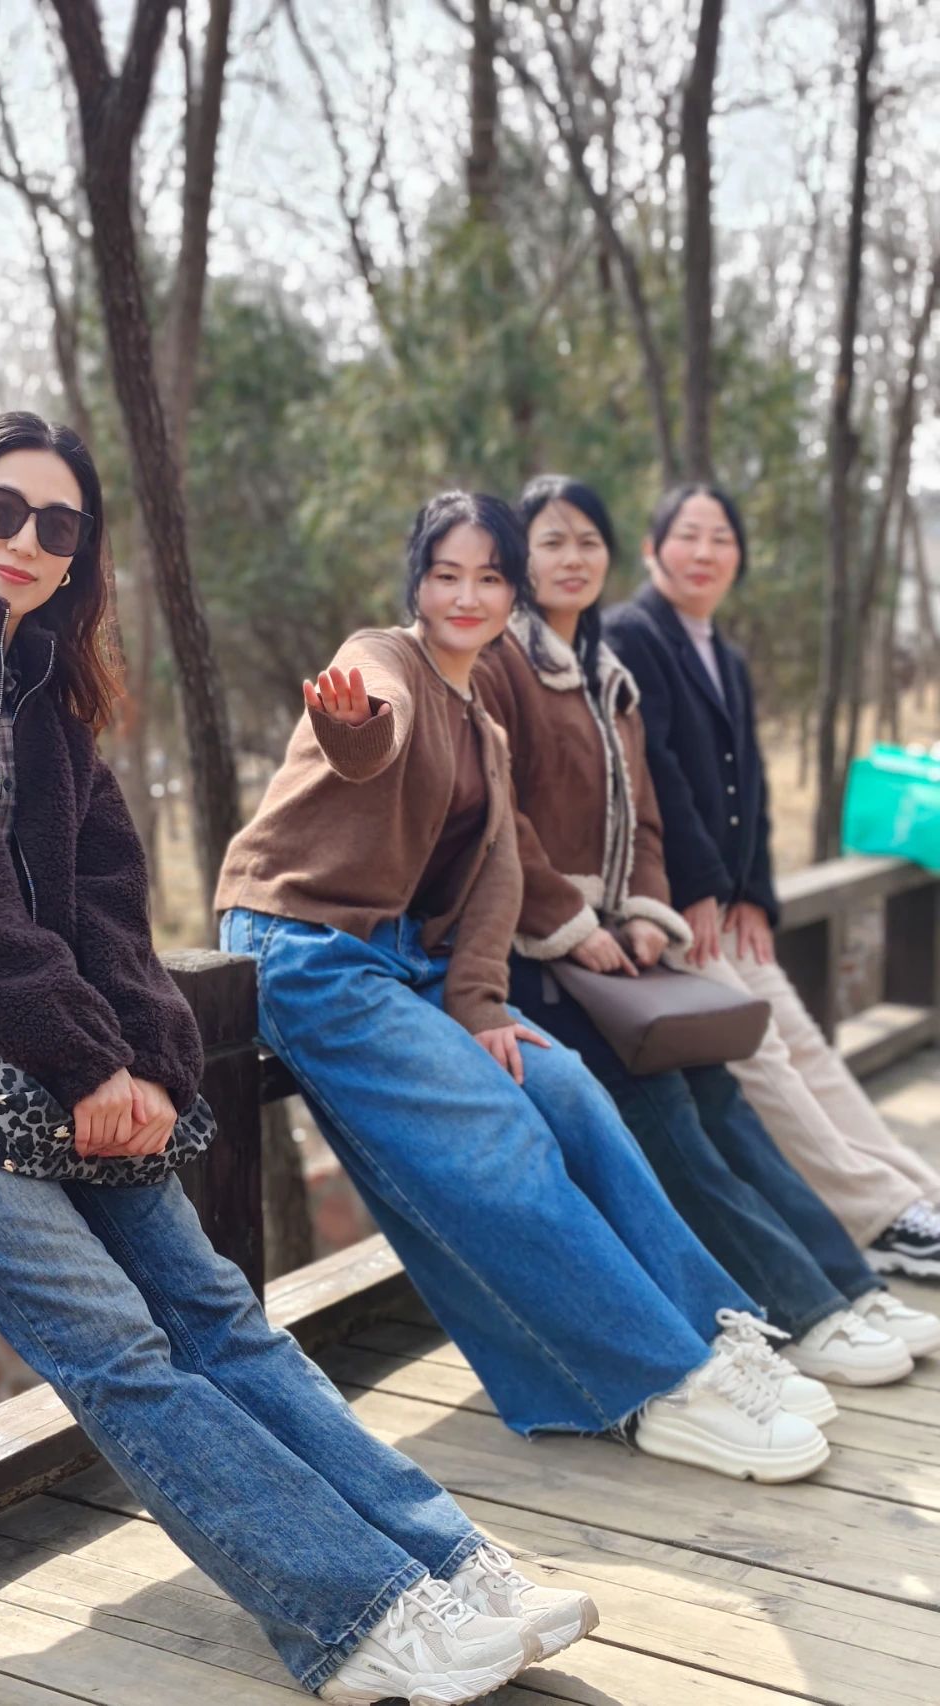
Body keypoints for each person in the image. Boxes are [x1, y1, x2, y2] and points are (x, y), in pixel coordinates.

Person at [0, 414, 598, 1706]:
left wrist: (144, 1057)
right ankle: (355, 1615)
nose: (26, 540)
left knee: (214, 1309)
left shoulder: (44, 694)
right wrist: (91, 1068)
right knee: (112, 1337)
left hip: (38, 1043)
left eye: (59, 524)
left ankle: (444, 1562)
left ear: (79, 552)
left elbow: (105, 906)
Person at [219, 488, 833, 1485]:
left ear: (513, 592)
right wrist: (353, 728)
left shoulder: (486, 728)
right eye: (445, 575)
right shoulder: (381, 657)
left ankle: (711, 1331)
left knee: (569, 1093)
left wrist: (477, 1004)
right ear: (417, 582)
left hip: (410, 961)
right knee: (498, 1133)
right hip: (306, 944)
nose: (466, 596)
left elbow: (496, 877)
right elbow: (372, 732)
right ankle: (657, 1383)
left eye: (489, 577)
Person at [475, 473, 937, 1393]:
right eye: (550, 541)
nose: (572, 559)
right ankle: (807, 1307)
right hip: (538, 956)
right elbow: (503, 818)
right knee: (679, 1111)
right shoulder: (503, 666)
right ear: (517, 559)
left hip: (625, 946)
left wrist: (650, 913)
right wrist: (576, 922)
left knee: (724, 1095)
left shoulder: (604, 672)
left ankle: (842, 1286)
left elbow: (649, 815)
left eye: (586, 542)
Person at [604, 485, 940, 1298]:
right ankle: (877, 1218)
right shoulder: (630, 635)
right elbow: (655, 773)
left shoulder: (725, 653)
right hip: (673, 907)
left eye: (721, 537)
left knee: (804, 1046)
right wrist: (701, 887)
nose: (705, 552)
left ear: (739, 557)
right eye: (687, 535)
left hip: (727, 907)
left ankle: (912, 1191)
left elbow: (746, 779)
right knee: (764, 1058)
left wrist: (754, 891)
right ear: (652, 549)